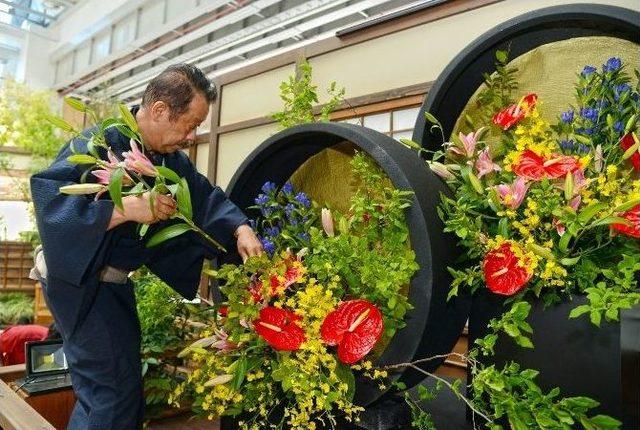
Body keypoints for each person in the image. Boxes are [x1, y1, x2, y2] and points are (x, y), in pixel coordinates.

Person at [30, 63, 263, 429]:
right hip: (81, 283)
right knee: (109, 391)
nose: (190, 136)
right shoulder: (99, 144)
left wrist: (240, 229)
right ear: (158, 110)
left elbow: (202, 196)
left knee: (118, 389)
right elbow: (54, 208)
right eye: (190, 124)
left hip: (114, 284)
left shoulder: (167, 159)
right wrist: (124, 209)